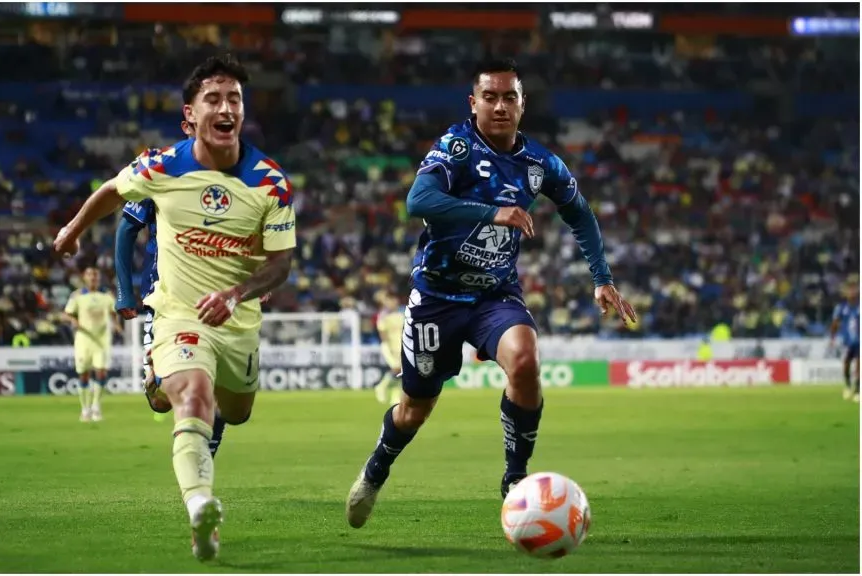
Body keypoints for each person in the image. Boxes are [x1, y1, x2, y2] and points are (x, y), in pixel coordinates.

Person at [344, 58, 637, 529]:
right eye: (491, 97)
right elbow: (417, 201)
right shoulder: (456, 147)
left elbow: (579, 213)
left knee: (525, 361)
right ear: (474, 103)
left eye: (510, 97)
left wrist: (601, 277)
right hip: (437, 297)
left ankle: (515, 482)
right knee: (414, 410)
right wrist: (490, 213)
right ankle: (377, 469)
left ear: (522, 105)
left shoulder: (541, 164)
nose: (500, 106)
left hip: (494, 297)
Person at [53, 54, 296, 562]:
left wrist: (236, 295)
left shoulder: (270, 180)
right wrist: (73, 229)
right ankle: (200, 507)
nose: (226, 107)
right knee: (192, 395)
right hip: (178, 314)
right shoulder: (160, 166)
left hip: (238, 323)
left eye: (234, 99)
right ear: (191, 115)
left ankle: (165, 384)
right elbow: (111, 195)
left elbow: (280, 265)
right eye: (214, 98)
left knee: (237, 411)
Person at [63, 266, 120, 422]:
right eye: (89, 275)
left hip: (102, 339)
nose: (93, 278)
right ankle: (85, 408)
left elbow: (113, 312)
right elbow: (66, 314)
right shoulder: (77, 296)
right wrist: (73, 320)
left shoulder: (107, 295)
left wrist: (116, 324)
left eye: (95, 275)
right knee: (84, 374)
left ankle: (96, 406)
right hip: (84, 339)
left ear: (99, 278)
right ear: (84, 277)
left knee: (101, 372)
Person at [829, 281, 860, 402]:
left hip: (860, 341)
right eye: (850, 290)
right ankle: (847, 386)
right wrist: (832, 337)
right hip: (847, 341)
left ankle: (857, 390)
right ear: (846, 293)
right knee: (846, 364)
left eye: (854, 290)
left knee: (859, 365)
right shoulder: (841, 307)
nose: (852, 293)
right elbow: (835, 323)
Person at [373, 291, 405, 405]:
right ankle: (381, 387)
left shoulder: (402, 314)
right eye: (390, 301)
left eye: (394, 301)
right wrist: (388, 347)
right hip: (389, 347)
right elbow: (383, 334)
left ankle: (395, 398)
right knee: (397, 369)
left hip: (402, 347)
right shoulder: (383, 316)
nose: (393, 303)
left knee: (402, 373)